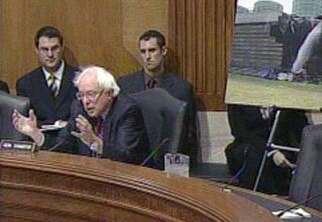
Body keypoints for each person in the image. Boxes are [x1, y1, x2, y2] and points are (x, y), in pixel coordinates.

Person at [12, 66, 150, 165]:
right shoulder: (79, 109)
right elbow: (64, 146)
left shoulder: (127, 111)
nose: (85, 101)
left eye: (91, 94)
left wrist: (94, 142)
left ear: (109, 93)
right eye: (82, 95)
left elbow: (126, 157)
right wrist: (36, 134)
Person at [118, 29, 199, 165]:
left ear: (163, 50)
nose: (147, 57)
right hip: (134, 161)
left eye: (152, 50)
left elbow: (189, 135)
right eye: (143, 52)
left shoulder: (182, 88)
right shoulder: (125, 85)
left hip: (168, 163)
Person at [225, 104, 308, 195]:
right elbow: (240, 132)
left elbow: (299, 128)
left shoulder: (287, 100)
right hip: (250, 146)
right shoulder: (239, 100)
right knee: (255, 156)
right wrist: (272, 152)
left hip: (281, 147)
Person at [16, 26, 78, 126]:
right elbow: (27, 121)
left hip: (73, 138)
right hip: (39, 138)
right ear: (36, 51)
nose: (50, 54)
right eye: (45, 49)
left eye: (54, 48)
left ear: (62, 48)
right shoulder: (25, 84)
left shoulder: (80, 78)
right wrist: (57, 123)